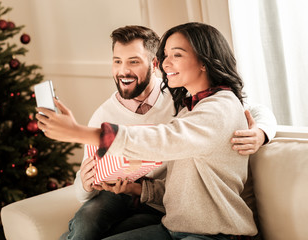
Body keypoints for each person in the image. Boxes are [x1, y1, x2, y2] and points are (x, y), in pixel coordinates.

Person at [37, 24, 276, 240]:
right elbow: (183, 186)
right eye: (166, 56)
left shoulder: (212, 107)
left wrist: (262, 132)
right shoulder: (190, 105)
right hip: (174, 225)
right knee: (85, 224)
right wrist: (131, 188)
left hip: (214, 234)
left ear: (204, 61)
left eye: (177, 55)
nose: (165, 64)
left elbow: (165, 138)